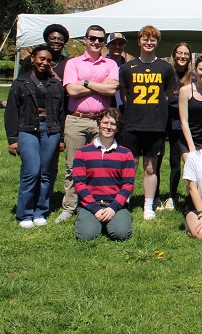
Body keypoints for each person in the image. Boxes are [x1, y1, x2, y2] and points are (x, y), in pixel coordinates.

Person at [57, 25, 119, 224]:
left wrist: (84, 83)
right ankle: (69, 206)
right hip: (76, 119)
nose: (96, 42)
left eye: (100, 39)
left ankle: (92, 203)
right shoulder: (73, 63)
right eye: (92, 38)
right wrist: (99, 87)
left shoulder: (110, 64)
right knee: (73, 165)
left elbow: (110, 91)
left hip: (102, 121)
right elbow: (71, 91)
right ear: (85, 40)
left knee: (100, 165)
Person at [118, 25, 179, 221]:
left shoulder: (165, 67)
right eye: (145, 39)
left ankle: (148, 205)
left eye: (153, 39)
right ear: (139, 41)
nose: (149, 42)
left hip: (155, 124)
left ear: (157, 43)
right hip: (132, 123)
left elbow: (168, 95)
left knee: (151, 167)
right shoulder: (127, 68)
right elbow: (125, 95)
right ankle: (124, 201)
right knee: (131, 164)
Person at [5, 45, 65, 228]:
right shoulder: (20, 83)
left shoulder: (56, 85)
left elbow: (61, 112)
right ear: (33, 59)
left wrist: (61, 138)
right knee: (31, 171)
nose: (45, 63)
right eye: (41, 59)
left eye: (48, 60)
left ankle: (40, 211)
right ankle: (24, 213)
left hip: (51, 129)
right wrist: (13, 139)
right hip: (28, 129)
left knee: (46, 173)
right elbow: (11, 112)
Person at [73, 108, 135, 241]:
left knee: (121, 234)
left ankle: (111, 221)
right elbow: (79, 184)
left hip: (115, 205)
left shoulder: (126, 154)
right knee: (86, 236)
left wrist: (113, 208)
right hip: (90, 205)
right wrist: (95, 209)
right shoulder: (82, 152)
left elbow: (128, 185)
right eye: (105, 122)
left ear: (117, 128)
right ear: (99, 123)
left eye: (113, 124)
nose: (108, 127)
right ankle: (94, 222)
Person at [164, 43, 195, 211]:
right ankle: (154, 197)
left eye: (186, 54)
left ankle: (171, 196)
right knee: (156, 160)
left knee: (175, 161)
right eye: (179, 53)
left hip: (180, 124)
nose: (182, 56)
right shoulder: (166, 73)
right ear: (174, 55)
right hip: (162, 121)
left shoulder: (193, 78)